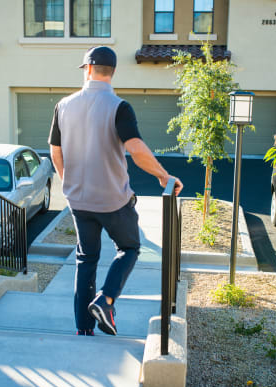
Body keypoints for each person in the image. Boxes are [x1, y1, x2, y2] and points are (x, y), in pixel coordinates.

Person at [49, 46, 183, 336]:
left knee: (86, 259)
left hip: (78, 201)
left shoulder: (63, 105)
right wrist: (163, 175)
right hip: (112, 201)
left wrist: (67, 182)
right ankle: (106, 299)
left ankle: (84, 328)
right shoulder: (119, 107)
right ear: (112, 72)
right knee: (130, 248)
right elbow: (136, 149)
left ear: (87, 69)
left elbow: (55, 151)